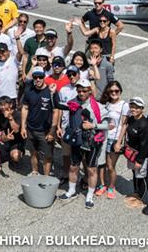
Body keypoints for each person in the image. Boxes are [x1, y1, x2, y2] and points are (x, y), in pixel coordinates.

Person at [58, 80, 110, 209]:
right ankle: (71, 191)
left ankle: (90, 196)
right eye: (79, 90)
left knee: (91, 169)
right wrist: (54, 93)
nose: (81, 93)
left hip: (92, 142)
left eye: (84, 90)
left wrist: (93, 125)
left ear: (89, 91)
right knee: (73, 167)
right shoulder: (73, 103)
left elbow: (109, 125)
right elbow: (57, 105)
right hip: (77, 141)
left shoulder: (97, 106)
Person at [20, 68, 58, 176]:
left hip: (45, 130)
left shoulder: (51, 92)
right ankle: (35, 171)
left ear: (44, 77)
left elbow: (56, 112)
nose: (38, 79)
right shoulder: (29, 91)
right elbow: (25, 108)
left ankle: (46, 177)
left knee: (47, 155)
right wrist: (23, 126)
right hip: (31, 128)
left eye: (40, 77)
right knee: (33, 152)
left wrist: (52, 131)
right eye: (35, 77)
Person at [97, 80, 129, 199]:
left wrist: (119, 141)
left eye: (116, 90)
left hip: (114, 139)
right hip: (103, 137)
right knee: (101, 164)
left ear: (120, 91)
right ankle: (102, 185)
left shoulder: (124, 105)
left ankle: (111, 186)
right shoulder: (106, 103)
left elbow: (124, 125)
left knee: (110, 166)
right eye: (111, 91)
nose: (114, 93)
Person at [119, 96, 148, 208]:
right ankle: (136, 192)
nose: (133, 109)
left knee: (141, 176)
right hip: (131, 154)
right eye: (132, 107)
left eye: (137, 108)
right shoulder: (132, 119)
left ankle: (140, 199)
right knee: (134, 174)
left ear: (142, 109)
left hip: (140, 155)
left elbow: (145, 145)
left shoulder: (144, 125)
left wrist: (140, 160)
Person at [0, 97, 24, 168]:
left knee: (16, 156)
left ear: (11, 105)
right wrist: (5, 138)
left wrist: (10, 118)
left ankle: (13, 156)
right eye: (0, 105)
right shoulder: (0, 115)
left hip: (16, 142)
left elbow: (16, 130)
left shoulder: (18, 114)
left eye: (4, 105)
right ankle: (7, 155)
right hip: (5, 140)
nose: (2, 107)